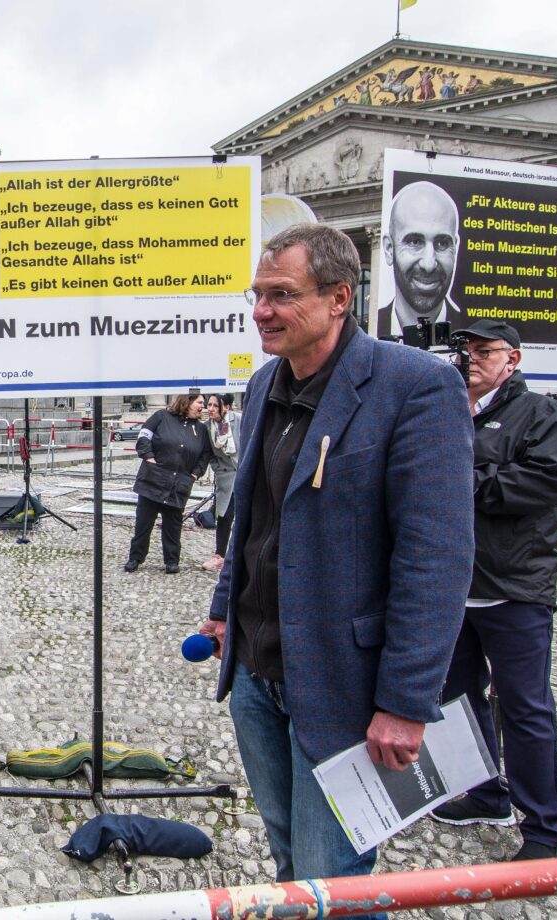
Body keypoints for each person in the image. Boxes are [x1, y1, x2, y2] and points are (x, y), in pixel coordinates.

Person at [198, 223, 473, 902]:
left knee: (334, 877)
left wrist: (406, 703)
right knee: (292, 864)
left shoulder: (416, 387)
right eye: (257, 294)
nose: (261, 309)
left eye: (282, 294)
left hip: (344, 689)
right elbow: (252, 520)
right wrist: (223, 610)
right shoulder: (265, 384)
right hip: (259, 679)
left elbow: (435, 557)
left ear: (339, 298)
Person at [431, 319, 557, 861]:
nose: (470, 358)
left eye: (483, 350)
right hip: (452, 585)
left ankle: (544, 831)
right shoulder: (444, 408)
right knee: (455, 700)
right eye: (464, 349)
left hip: (514, 586)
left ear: (511, 359)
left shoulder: (542, 414)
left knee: (523, 708)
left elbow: (543, 483)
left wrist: (463, 481)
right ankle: (485, 792)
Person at [123, 392, 211, 575]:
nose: (203, 406)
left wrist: (195, 474)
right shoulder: (161, 417)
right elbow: (143, 438)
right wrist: (149, 457)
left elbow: (205, 456)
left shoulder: (201, 430)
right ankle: (135, 557)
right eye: (200, 402)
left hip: (179, 485)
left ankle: (171, 560)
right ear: (187, 402)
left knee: (173, 525)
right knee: (143, 524)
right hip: (152, 481)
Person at [376, 181, 463, 339]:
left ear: (455, 248)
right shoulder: (369, 337)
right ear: (389, 249)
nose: (428, 264)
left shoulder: (472, 335)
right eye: (414, 242)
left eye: (442, 243)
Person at [201, 394, 238, 572]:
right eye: (209, 404)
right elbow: (209, 454)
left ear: (227, 407)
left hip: (246, 474)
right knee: (224, 516)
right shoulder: (207, 427)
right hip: (226, 478)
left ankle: (242, 556)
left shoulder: (238, 420)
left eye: (216, 405)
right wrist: (218, 470)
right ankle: (219, 556)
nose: (211, 409)